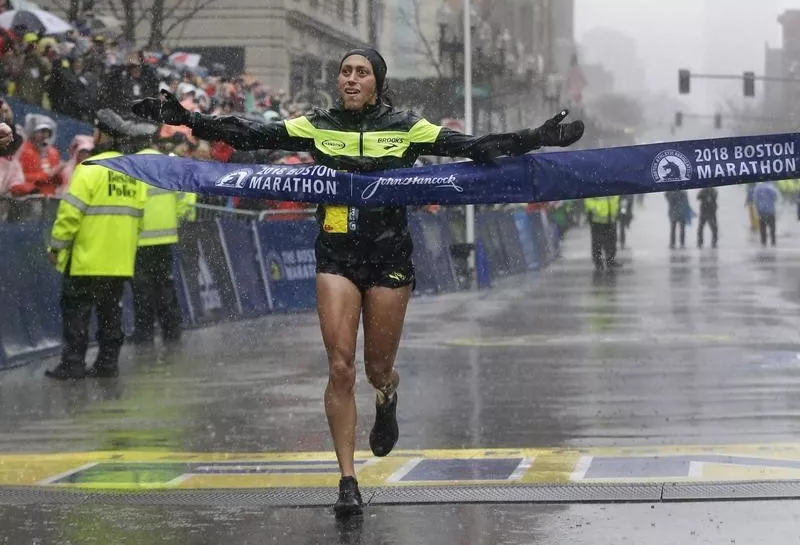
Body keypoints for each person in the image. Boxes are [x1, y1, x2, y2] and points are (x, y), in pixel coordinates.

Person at [131, 47, 584, 517]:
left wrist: (537, 137)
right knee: (341, 367)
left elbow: (474, 148)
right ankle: (347, 480)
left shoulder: (407, 126)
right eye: (344, 72)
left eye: (360, 73)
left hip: (389, 256)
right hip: (337, 256)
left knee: (375, 370)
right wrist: (185, 118)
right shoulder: (317, 124)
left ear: (377, 82)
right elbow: (246, 134)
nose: (350, 79)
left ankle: (387, 395)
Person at [44, 109, 152, 380]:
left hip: (86, 258)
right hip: (118, 261)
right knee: (110, 313)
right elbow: (139, 220)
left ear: (102, 134)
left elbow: (70, 214)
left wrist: (56, 247)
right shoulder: (133, 172)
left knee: (77, 312)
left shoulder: (90, 169)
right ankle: (107, 364)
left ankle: (73, 364)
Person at [131, 138, 187, 346]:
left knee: (142, 289)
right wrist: (177, 218)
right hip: (166, 237)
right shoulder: (167, 164)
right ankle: (172, 330)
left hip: (140, 239)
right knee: (165, 285)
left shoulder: (131, 165)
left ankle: (144, 334)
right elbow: (184, 196)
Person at [584, 196, 621, 272]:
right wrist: (596, 208)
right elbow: (588, 201)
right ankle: (598, 262)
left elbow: (616, 198)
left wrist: (616, 210)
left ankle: (610, 260)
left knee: (612, 241)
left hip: (611, 219)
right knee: (597, 243)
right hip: (597, 220)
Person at [753, 180, 779, 246]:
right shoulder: (772, 187)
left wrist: (758, 207)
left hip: (761, 211)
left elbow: (755, 200)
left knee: (762, 228)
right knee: (772, 228)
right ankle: (773, 243)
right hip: (770, 211)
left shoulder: (758, 188)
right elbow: (776, 197)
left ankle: (763, 243)